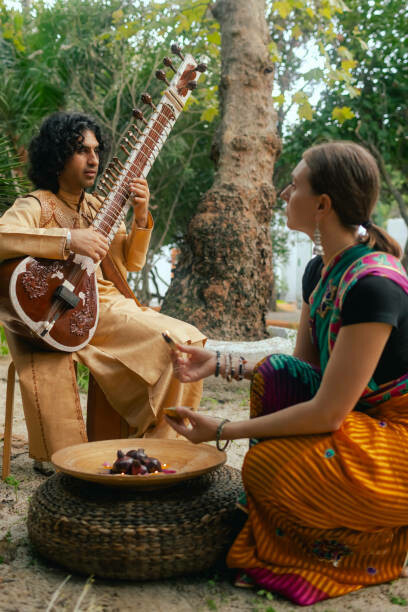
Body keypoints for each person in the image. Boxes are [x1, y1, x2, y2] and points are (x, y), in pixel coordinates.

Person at [165, 141, 408, 605]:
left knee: (263, 469)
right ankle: (296, 526)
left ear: (322, 204)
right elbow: (303, 370)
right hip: (358, 423)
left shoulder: (374, 286)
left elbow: (326, 412)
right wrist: (218, 362)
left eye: (293, 184)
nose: (283, 193)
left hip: (396, 438)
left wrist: (223, 430)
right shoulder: (321, 271)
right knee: (279, 375)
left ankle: (358, 544)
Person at [0, 111, 205, 462]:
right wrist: (67, 238)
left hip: (103, 305)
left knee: (185, 344)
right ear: (57, 155)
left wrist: (141, 217)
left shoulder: (99, 207)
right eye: (81, 150)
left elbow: (129, 264)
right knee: (180, 342)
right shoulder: (35, 204)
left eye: (96, 150)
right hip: (55, 311)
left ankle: (162, 445)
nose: (93, 159)